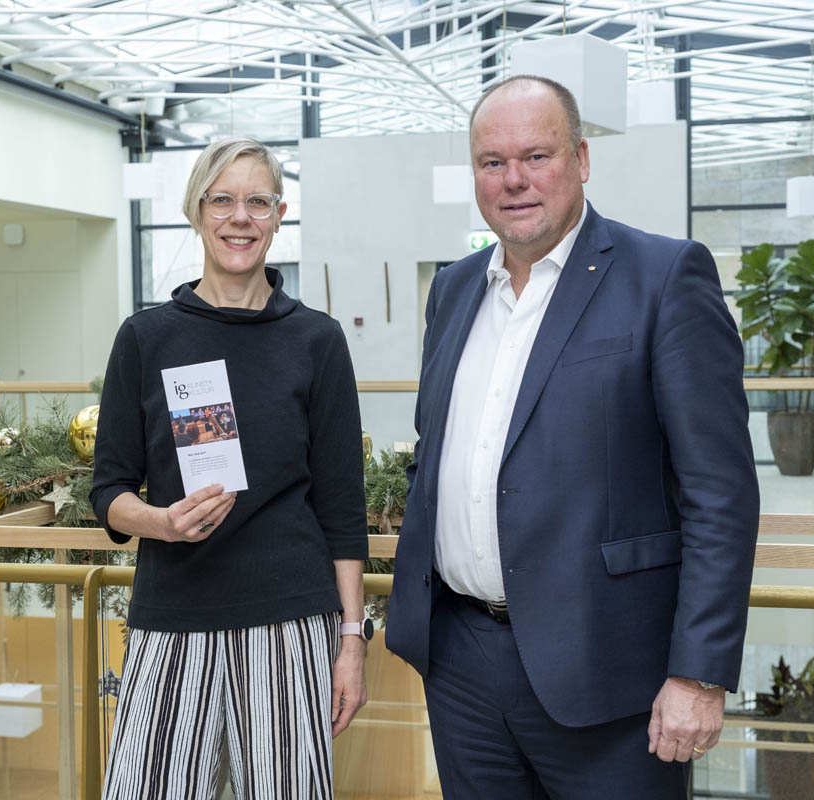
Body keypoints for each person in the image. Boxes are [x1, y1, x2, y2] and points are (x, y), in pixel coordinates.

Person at [385, 76, 759, 798]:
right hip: (462, 665)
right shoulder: (456, 289)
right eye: (493, 162)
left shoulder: (663, 276)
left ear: (582, 159)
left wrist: (699, 671)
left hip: (611, 675)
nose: (514, 180)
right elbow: (439, 453)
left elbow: (720, 493)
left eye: (537, 155)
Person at [90, 137, 371, 800]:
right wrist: (158, 521)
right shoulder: (147, 337)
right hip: (172, 613)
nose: (239, 217)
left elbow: (342, 507)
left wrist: (352, 641)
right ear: (197, 210)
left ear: (278, 215)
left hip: (287, 621)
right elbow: (108, 489)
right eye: (223, 200)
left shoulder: (317, 341)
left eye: (257, 201)